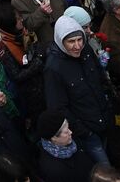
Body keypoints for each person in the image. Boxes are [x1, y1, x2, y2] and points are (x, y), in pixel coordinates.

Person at [43, 14, 112, 166]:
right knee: (103, 167)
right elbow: (58, 106)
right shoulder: (54, 68)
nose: (77, 46)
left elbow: (99, 78)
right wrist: (84, 131)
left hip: (102, 118)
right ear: (61, 42)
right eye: (71, 41)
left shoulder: (85, 51)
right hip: (86, 130)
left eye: (80, 40)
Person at [35, 109, 97, 182]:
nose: (71, 132)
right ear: (54, 138)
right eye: (66, 132)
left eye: (68, 128)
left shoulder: (69, 141)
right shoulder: (53, 171)